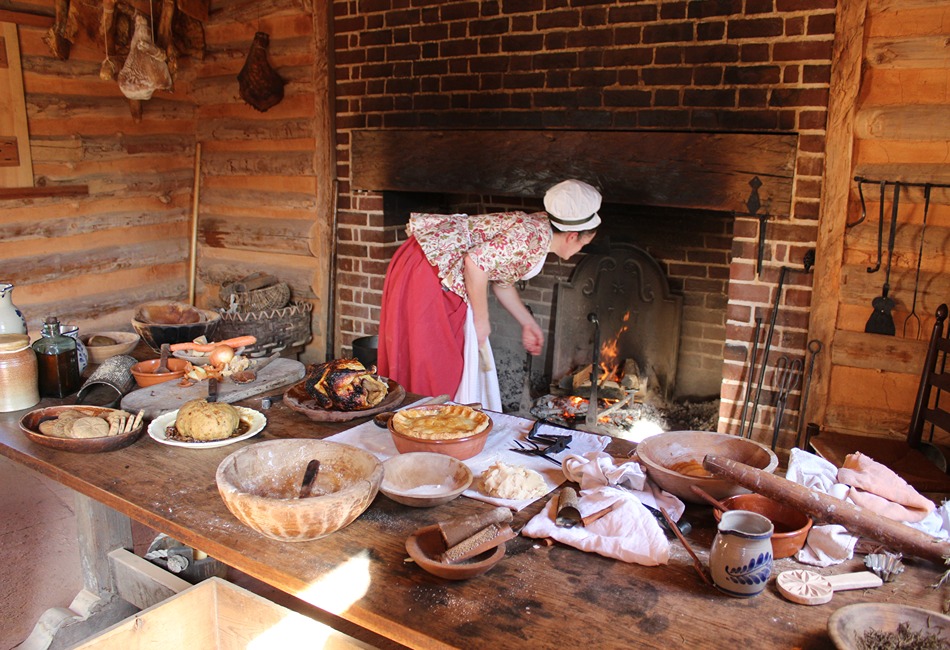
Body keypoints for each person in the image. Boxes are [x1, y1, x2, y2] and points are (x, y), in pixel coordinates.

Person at [377, 179, 602, 411]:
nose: (578, 252)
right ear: (572, 236)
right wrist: (481, 319)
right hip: (428, 269)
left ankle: (426, 421)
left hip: (429, 265)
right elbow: (474, 264)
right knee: (435, 364)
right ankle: (421, 424)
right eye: (583, 244)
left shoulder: (539, 230)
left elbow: (501, 282)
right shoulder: (531, 237)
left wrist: (527, 322)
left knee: (434, 360)